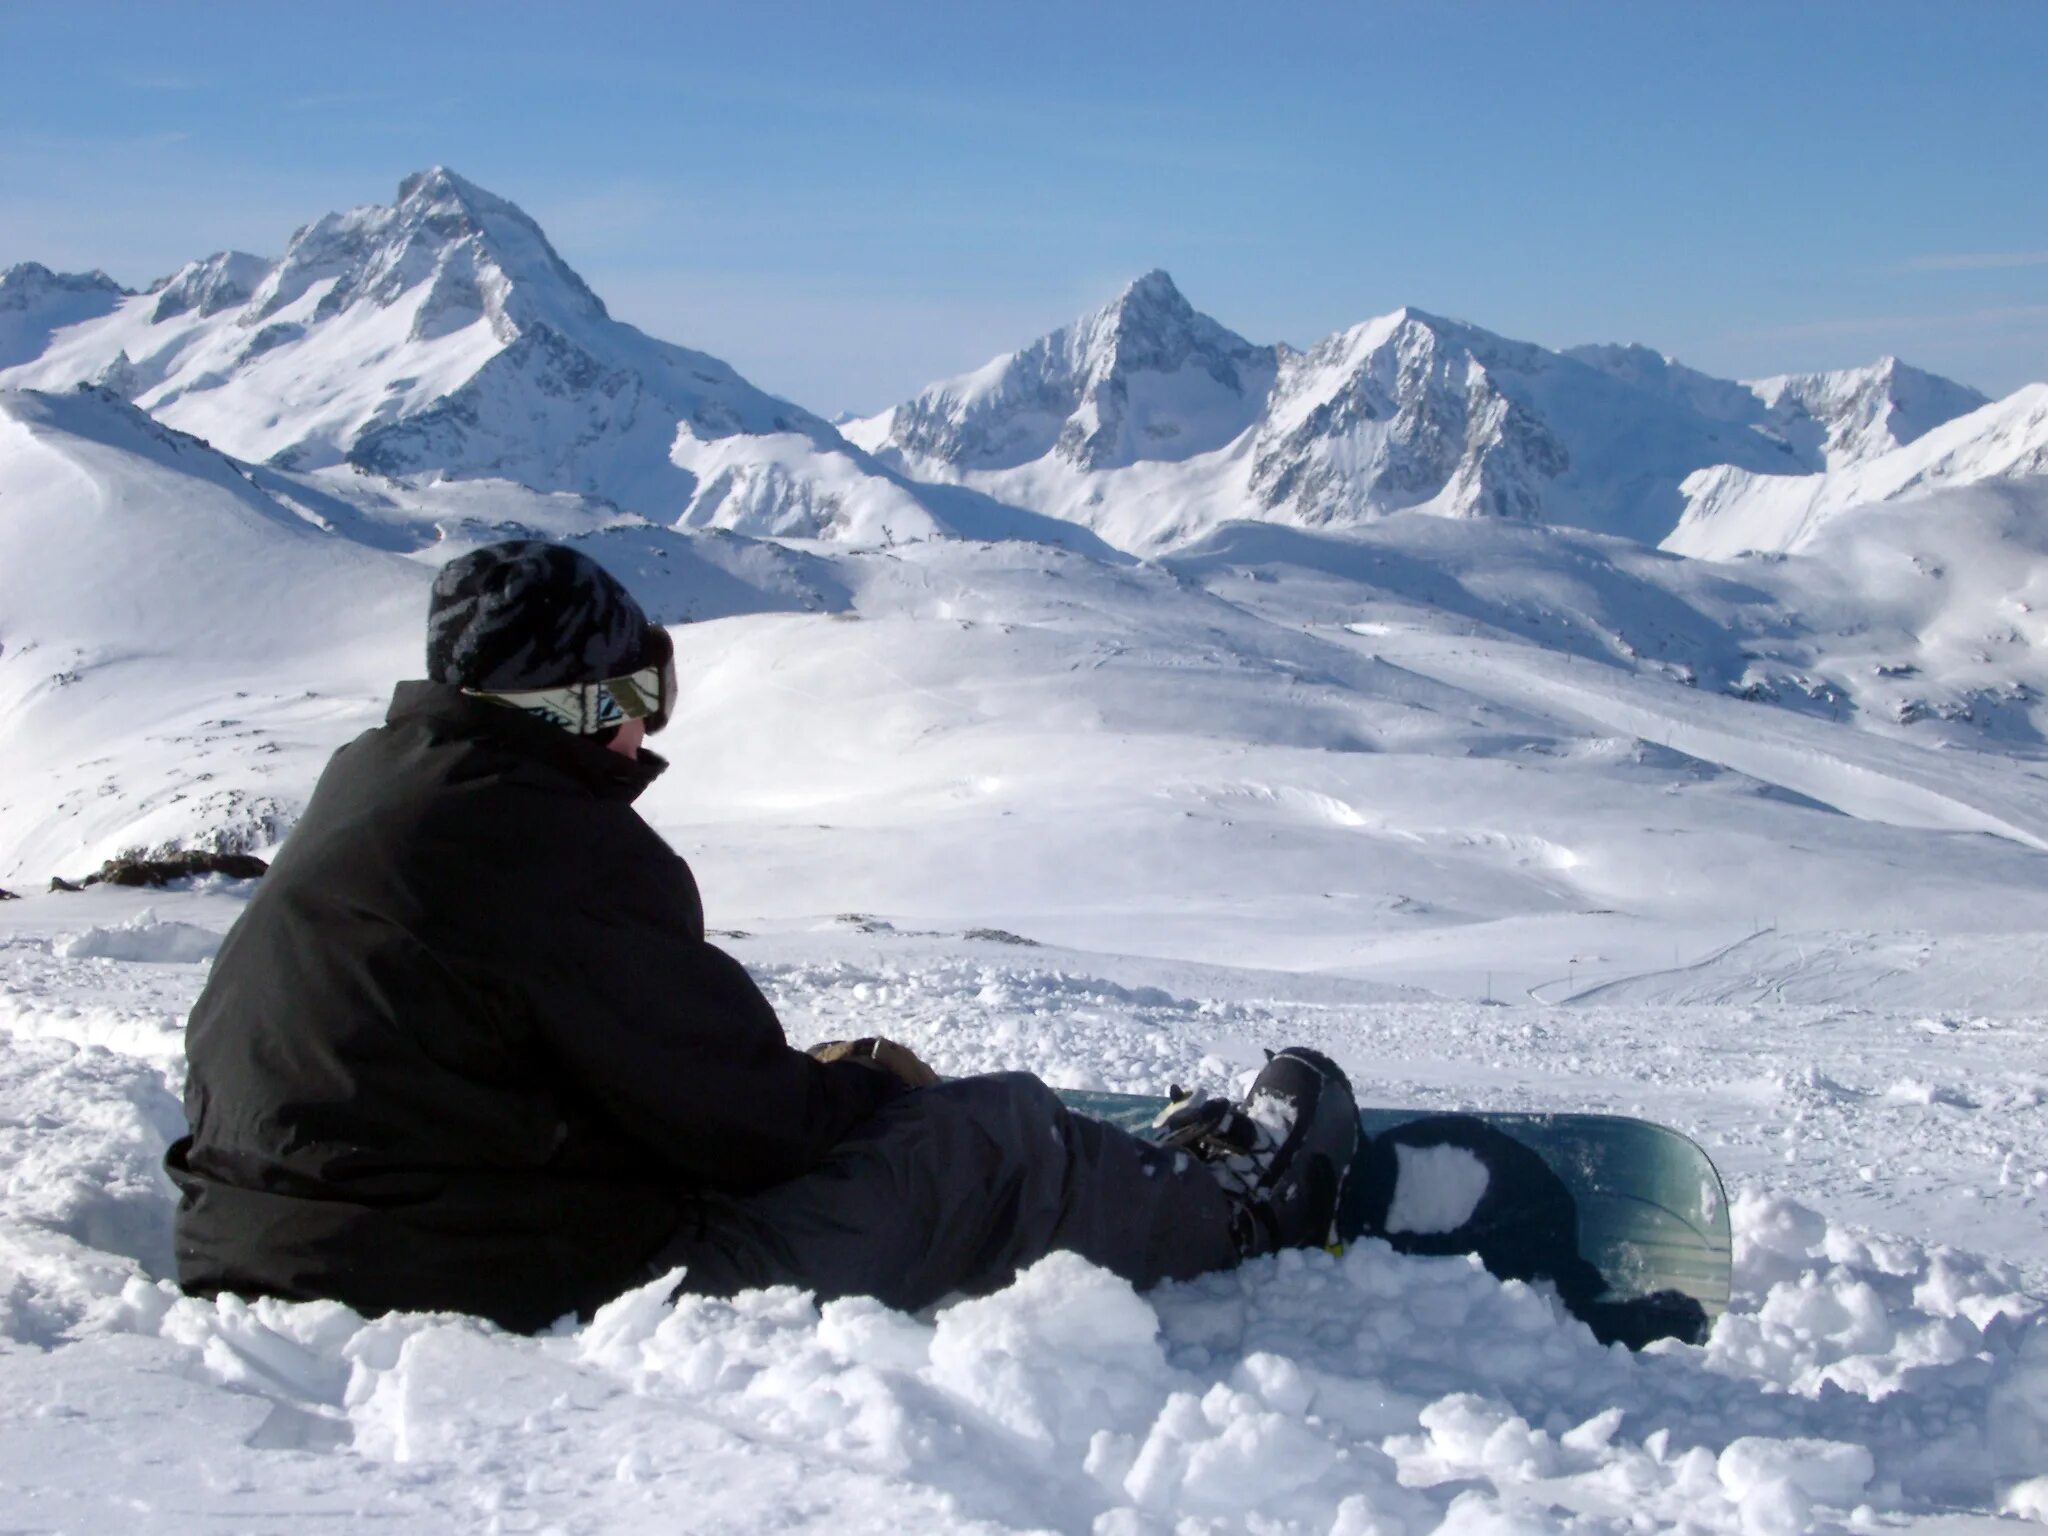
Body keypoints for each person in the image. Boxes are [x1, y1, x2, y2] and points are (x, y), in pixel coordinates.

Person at [165, 540, 1360, 1332]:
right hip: (481, 1285)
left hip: (271, 1250)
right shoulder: (543, 842)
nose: (642, 736)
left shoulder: (378, 791)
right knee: (991, 1137)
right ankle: (1243, 1210)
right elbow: (748, 1130)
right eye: (630, 702)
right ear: (567, 708)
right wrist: (864, 1093)